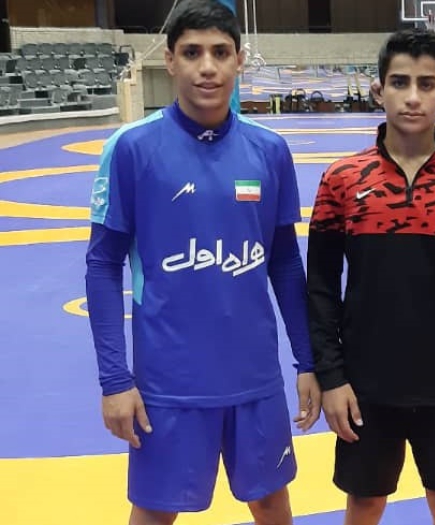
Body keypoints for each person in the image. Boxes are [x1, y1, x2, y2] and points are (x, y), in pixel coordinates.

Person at [84, 1, 320, 524]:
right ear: (169, 60)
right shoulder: (131, 148)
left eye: (220, 52)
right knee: (155, 510)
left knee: (271, 502)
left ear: (239, 60)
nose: (207, 67)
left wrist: (307, 361)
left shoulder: (270, 151)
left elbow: (284, 262)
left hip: (255, 376)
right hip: (169, 381)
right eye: (192, 53)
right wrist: (115, 380)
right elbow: (102, 266)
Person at [307, 27, 435, 525]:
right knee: (364, 503)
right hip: (365, 384)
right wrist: (332, 376)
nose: (412, 97)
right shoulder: (341, 180)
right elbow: (322, 286)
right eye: (399, 82)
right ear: (378, 91)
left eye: (426, 84)